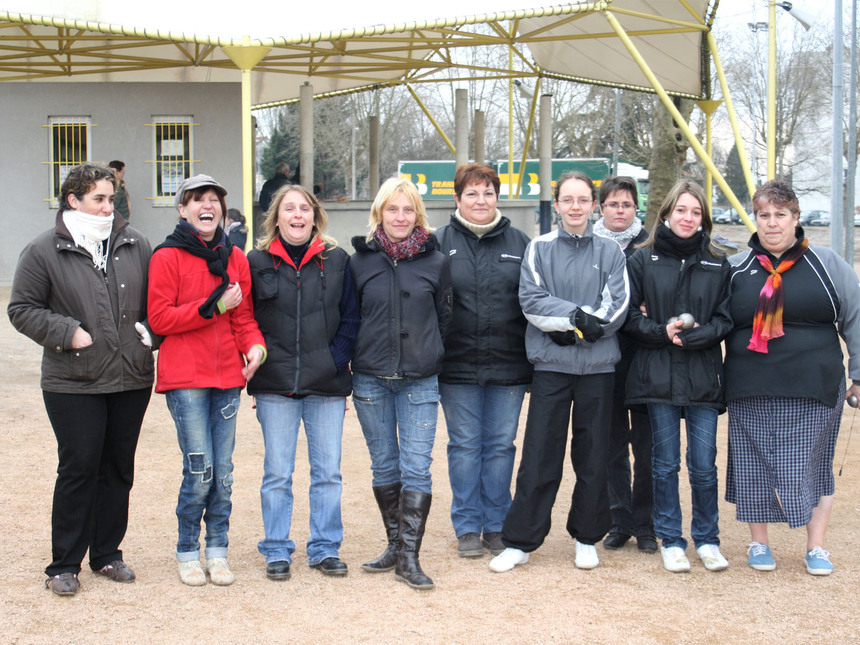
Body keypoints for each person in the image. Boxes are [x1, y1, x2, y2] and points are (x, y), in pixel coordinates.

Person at [8, 163, 155, 596]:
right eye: (99, 199)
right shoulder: (43, 250)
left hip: (131, 376)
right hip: (73, 380)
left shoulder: (136, 243)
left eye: (112, 198)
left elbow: (159, 302)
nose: (109, 207)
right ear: (73, 200)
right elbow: (21, 309)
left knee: (118, 469)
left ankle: (107, 554)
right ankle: (64, 565)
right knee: (79, 467)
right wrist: (67, 332)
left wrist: (152, 333)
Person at [489, 171, 629, 574]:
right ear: (557, 204)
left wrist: (582, 327)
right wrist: (574, 319)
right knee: (539, 456)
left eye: (582, 200)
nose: (575, 207)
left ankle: (587, 538)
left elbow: (617, 305)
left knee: (593, 456)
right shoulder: (539, 247)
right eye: (567, 199)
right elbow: (532, 300)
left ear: (594, 205)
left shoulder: (611, 251)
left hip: (598, 369)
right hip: (551, 365)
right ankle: (521, 541)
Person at [725, 180, 860, 576]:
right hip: (749, 386)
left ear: (796, 218)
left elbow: (855, 318)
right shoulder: (735, 268)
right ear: (755, 218)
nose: (772, 223)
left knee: (814, 466)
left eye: (780, 215)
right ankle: (759, 543)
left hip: (815, 386)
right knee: (752, 466)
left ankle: (816, 547)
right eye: (764, 215)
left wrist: (859, 374)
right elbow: (711, 318)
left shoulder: (827, 263)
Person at [148, 174, 266, 587]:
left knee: (224, 474)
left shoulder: (235, 258)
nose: (207, 206)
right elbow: (160, 318)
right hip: (186, 379)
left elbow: (244, 318)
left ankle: (217, 551)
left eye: (214, 199)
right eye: (197, 199)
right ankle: (187, 551)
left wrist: (256, 349)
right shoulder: (167, 256)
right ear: (183, 209)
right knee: (199, 471)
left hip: (227, 378)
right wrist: (212, 306)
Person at [247, 184, 359, 581]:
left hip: (326, 384)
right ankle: (277, 549)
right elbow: (246, 319)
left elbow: (351, 319)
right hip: (274, 383)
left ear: (315, 216)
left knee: (327, 472)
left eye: (305, 209)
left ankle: (325, 547)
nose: (298, 215)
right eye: (289, 209)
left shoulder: (338, 260)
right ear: (276, 217)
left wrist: (333, 360)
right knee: (277, 473)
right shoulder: (256, 261)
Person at [623, 180, 732, 574]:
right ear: (667, 213)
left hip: (702, 376)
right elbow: (628, 317)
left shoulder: (719, 261)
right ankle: (671, 539)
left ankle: (707, 539)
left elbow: (725, 318)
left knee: (703, 465)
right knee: (664, 464)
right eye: (681, 210)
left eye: (696, 212)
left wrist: (697, 336)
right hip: (658, 377)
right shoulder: (641, 259)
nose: (688, 218)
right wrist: (660, 331)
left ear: (704, 218)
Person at [350, 177, 452, 590]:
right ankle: (394, 545)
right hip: (371, 379)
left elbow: (446, 317)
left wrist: (430, 352)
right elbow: (350, 317)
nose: (400, 217)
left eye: (408, 209)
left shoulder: (436, 262)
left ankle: (410, 557)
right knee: (384, 464)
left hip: (419, 381)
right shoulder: (359, 262)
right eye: (392, 209)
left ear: (417, 215)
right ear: (379, 212)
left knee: (417, 467)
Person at [434, 163, 532, 558]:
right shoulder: (437, 243)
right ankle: (467, 527)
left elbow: (535, 301)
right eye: (472, 193)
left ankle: (497, 524)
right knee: (464, 446)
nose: (480, 200)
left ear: (497, 197)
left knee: (501, 446)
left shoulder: (521, 243)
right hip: (456, 366)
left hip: (509, 365)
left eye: (488, 193)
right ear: (457, 199)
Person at [592, 176, 657, 553]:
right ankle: (619, 518)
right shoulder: (588, 243)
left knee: (647, 446)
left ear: (636, 208)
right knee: (611, 443)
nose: (620, 210)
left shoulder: (651, 246)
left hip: (645, 357)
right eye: (613, 204)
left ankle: (646, 522)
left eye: (627, 205)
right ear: (601, 207)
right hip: (603, 357)